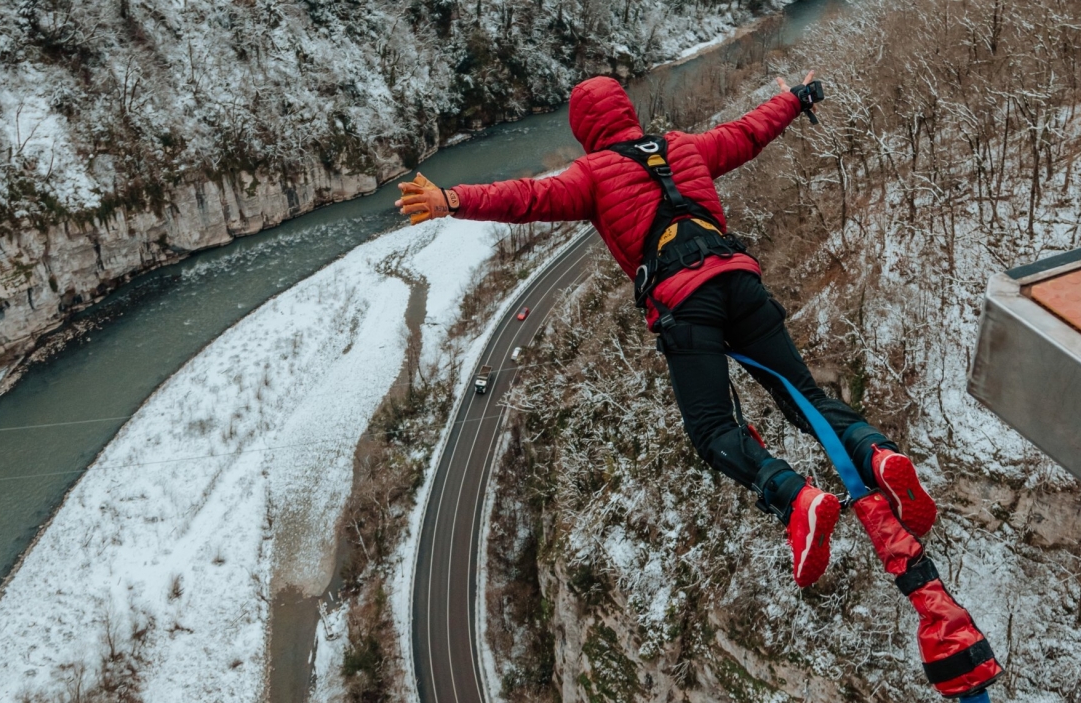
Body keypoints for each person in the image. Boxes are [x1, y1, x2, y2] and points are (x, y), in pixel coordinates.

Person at [394, 73, 937, 588]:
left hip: (686, 303)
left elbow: (526, 198)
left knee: (713, 430)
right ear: (627, 112)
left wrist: (452, 200)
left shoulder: (591, 175)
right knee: (804, 397)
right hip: (739, 280)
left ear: (584, 130)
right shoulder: (683, 147)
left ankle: (795, 498)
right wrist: (796, 98)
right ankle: (878, 455)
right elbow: (749, 132)